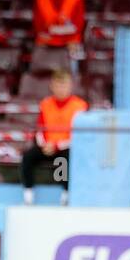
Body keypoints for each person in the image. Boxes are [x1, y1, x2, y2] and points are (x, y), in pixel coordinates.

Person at [21, 70, 87, 206]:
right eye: (58, 85)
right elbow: (40, 129)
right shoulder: (46, 104)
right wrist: (45, 144)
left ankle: (65, 194)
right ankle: (28, 193)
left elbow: (79, 136)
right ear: (52, 86)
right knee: (28, 156)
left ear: (70, 86)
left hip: (66, 147)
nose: (61, 89)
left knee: (65, 159)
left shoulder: (80, 106)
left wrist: (57, 146)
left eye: (64, 85)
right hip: (47, 146)